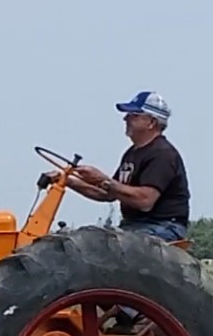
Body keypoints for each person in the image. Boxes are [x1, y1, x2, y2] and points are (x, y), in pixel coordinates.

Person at [65, 90, 191, 244]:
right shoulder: (132, 153)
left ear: (151, 123)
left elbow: (145, 201)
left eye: (134, 115)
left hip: (163, 226)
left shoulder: (162, 154)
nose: (125, 118)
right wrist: (68, 181)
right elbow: (108, 194)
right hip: (134, 226)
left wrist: (103, 180)